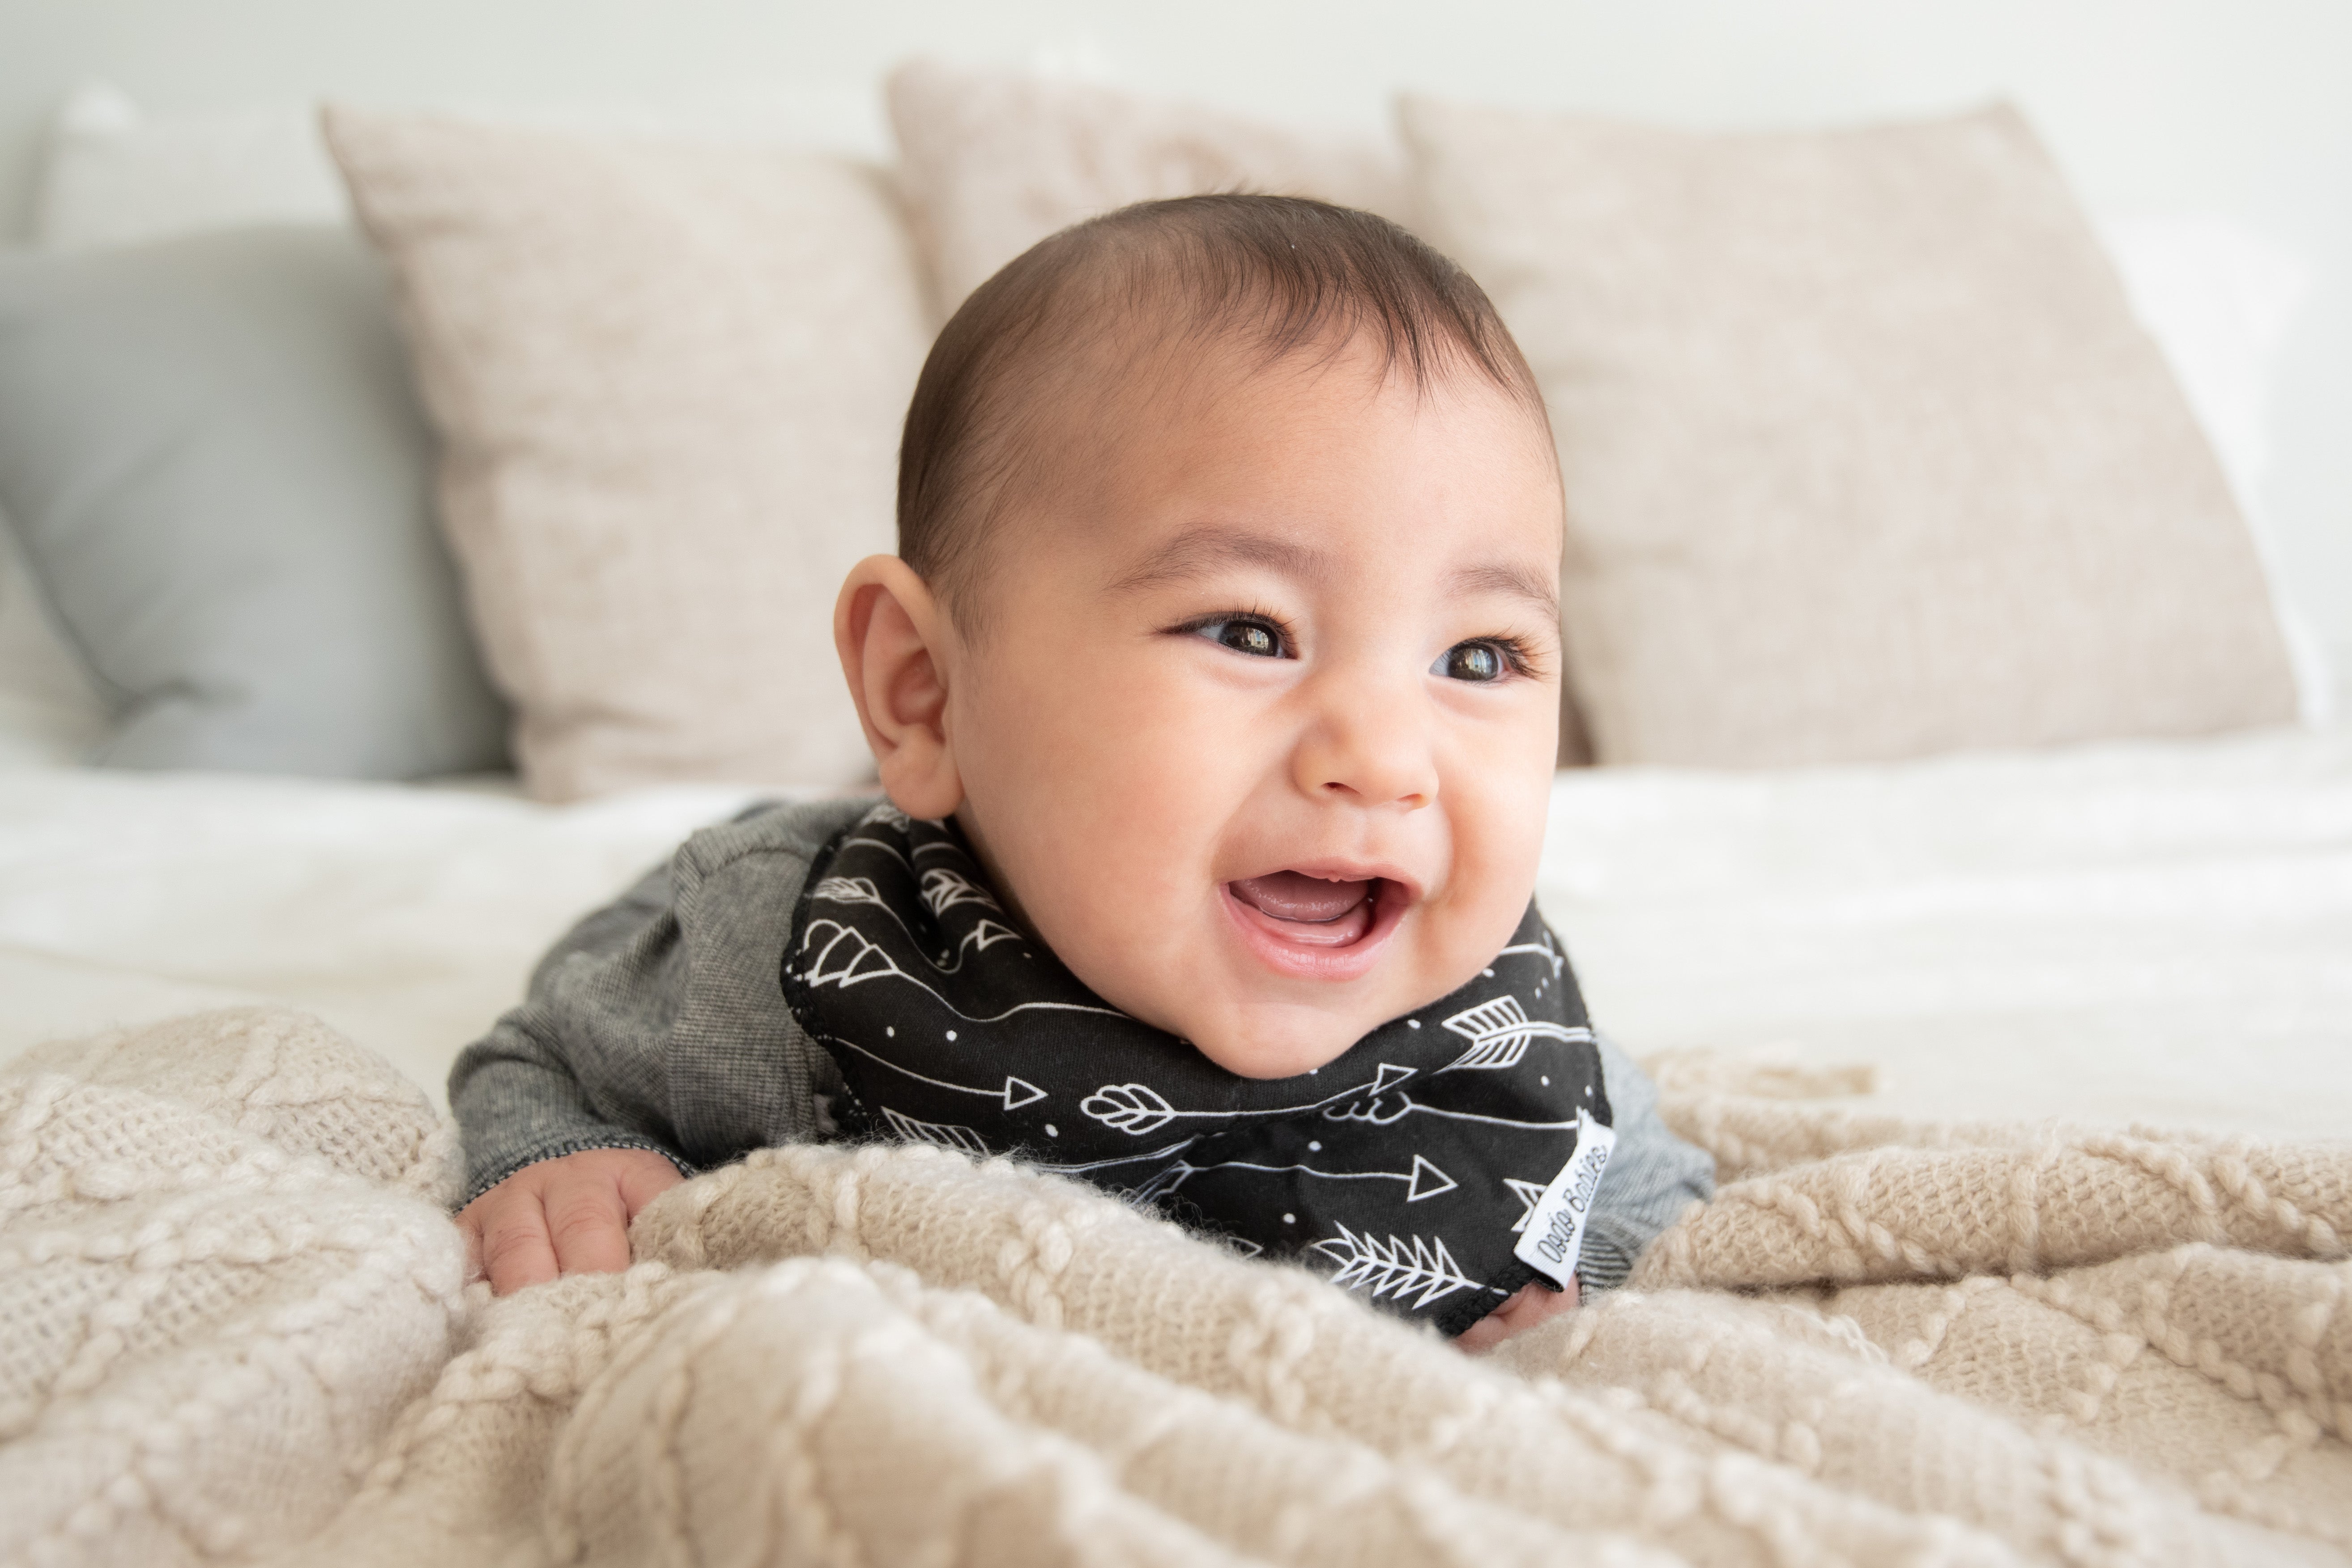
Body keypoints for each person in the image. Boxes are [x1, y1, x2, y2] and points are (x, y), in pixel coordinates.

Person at [449, 194, 1713, 1350]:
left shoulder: (1514, 1040)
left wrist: (1579, 1291)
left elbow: (1656, 1204)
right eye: (1249, 632)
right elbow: (544, 1059)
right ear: (924, 691)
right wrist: (560, 1155)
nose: (1385, 763)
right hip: (808, 859)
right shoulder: (781, 974)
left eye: (1480, 657)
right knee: (681, 891)